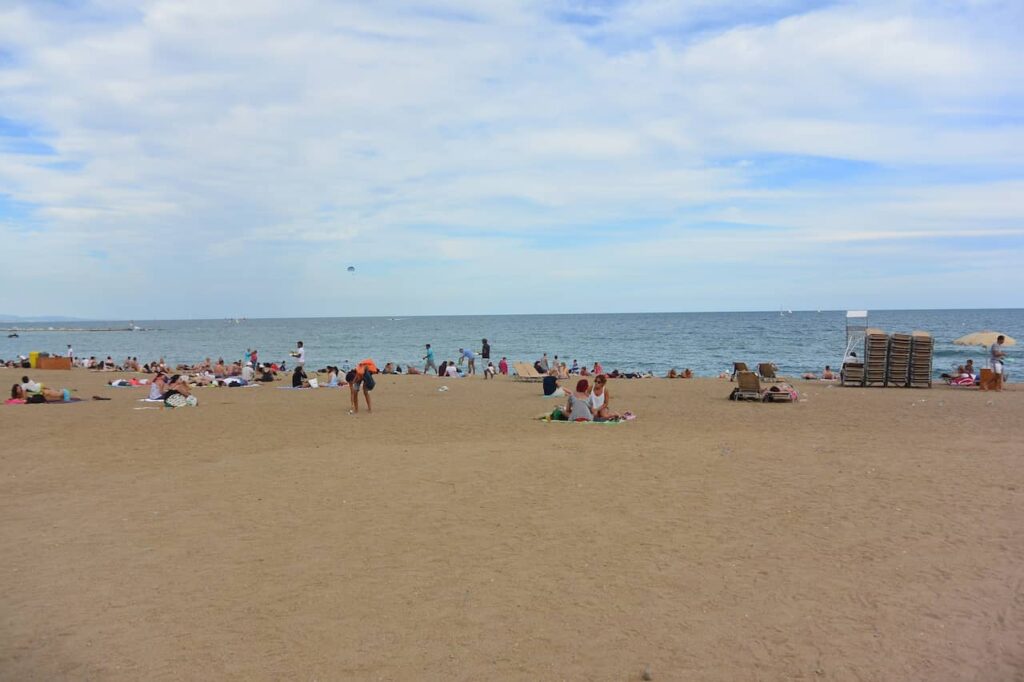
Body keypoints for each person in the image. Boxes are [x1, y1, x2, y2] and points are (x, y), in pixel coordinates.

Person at [10, 384, 74, 403]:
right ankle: (61, 392)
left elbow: (25, 399)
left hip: (41, 393)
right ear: (15, 390)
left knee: (58, 394)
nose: (19, 389)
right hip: (40, 396)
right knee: (56, 398)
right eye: (17, 389)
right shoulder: (16, 395)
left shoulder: (23, 392)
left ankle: (64, 390)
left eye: (19, 388)